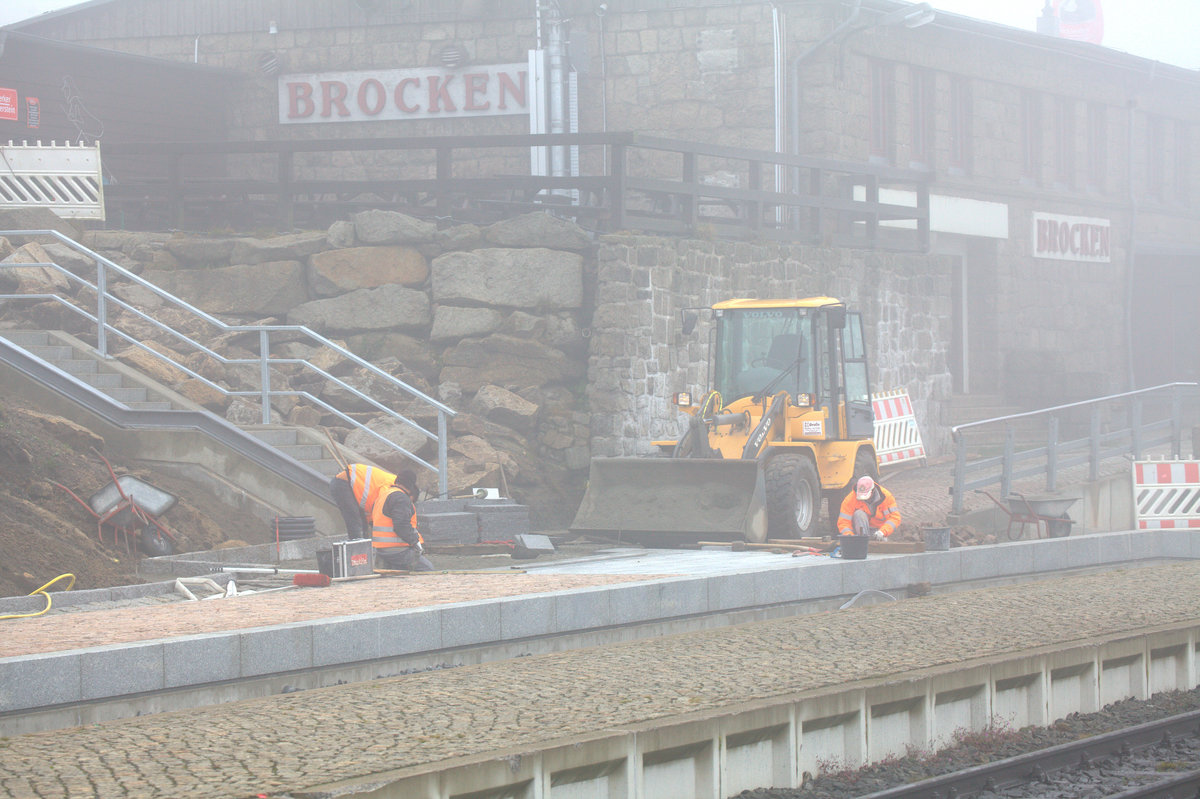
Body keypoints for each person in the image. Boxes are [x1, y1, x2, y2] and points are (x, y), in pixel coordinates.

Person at [370, 468, 434, 571]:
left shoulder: (384, 495)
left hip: (380, 549)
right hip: (397, 550)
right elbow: (401, 525)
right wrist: (415, 542)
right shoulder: (400, 498)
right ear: (411, 485)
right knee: (427, 569)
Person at [329, 463, 396, 540]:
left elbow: (375, 508)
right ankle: (357, 548)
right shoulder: (392, 487)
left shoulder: (394, 484)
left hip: (350, 485)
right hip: (343, 483)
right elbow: (380, 508)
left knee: (362, 524)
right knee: (354, 521)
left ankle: (362, 547)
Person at [836, 475, 901, 540]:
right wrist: (849, 536)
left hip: (878, 531)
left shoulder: (886, 497)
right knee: (859, 514)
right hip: (858, 531)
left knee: (882, 544)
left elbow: (894, 518)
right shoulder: (850, 499)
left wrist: (883, 532)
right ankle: (862, 540)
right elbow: (843, 522)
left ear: (873, 490)